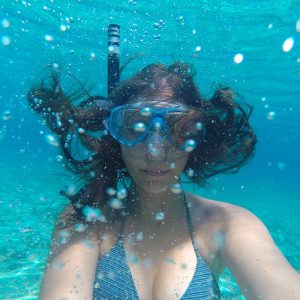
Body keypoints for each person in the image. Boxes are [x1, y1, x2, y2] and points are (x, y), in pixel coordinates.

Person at [28, 62, 299, 299]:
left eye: (178, 128)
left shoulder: (231, 225)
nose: (155, 151)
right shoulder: (88, 219)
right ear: (115, 135)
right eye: (135, 125)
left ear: (197, 136)